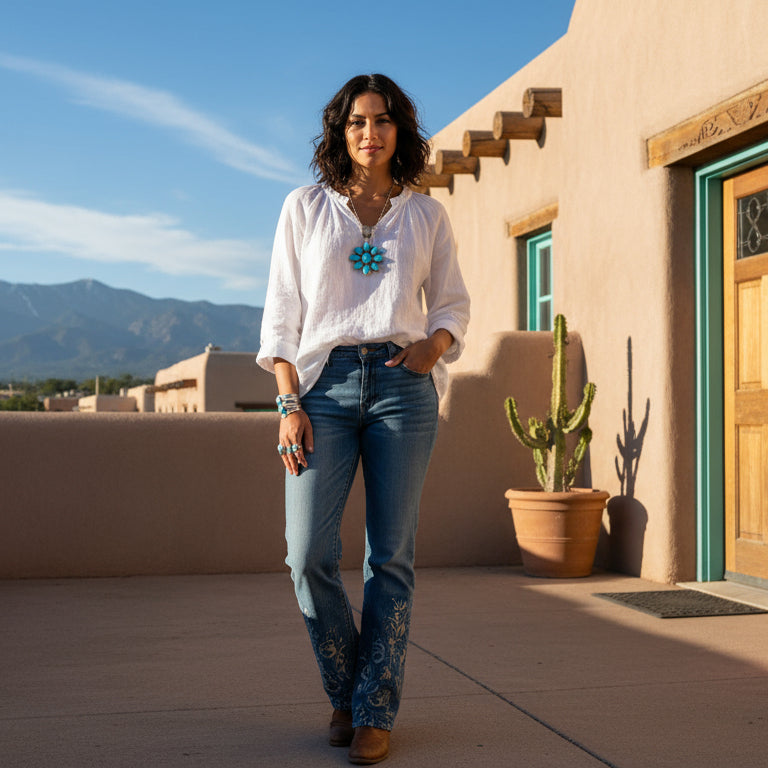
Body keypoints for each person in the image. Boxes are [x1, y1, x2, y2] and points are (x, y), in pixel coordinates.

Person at [257, 73, 470, 765]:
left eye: (381, 120)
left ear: (400, 130)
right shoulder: (306, 207)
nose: (369, 132)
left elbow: (450, 305)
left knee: (391, 558)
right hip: (323, 386)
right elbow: (283, 313)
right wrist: (288, 403)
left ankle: (375, 708)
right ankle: (348, 690)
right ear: (339, 131)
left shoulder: (426, 215)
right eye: (356, 121)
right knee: (308, 556)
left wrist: (430, 349)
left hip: (403, 389)